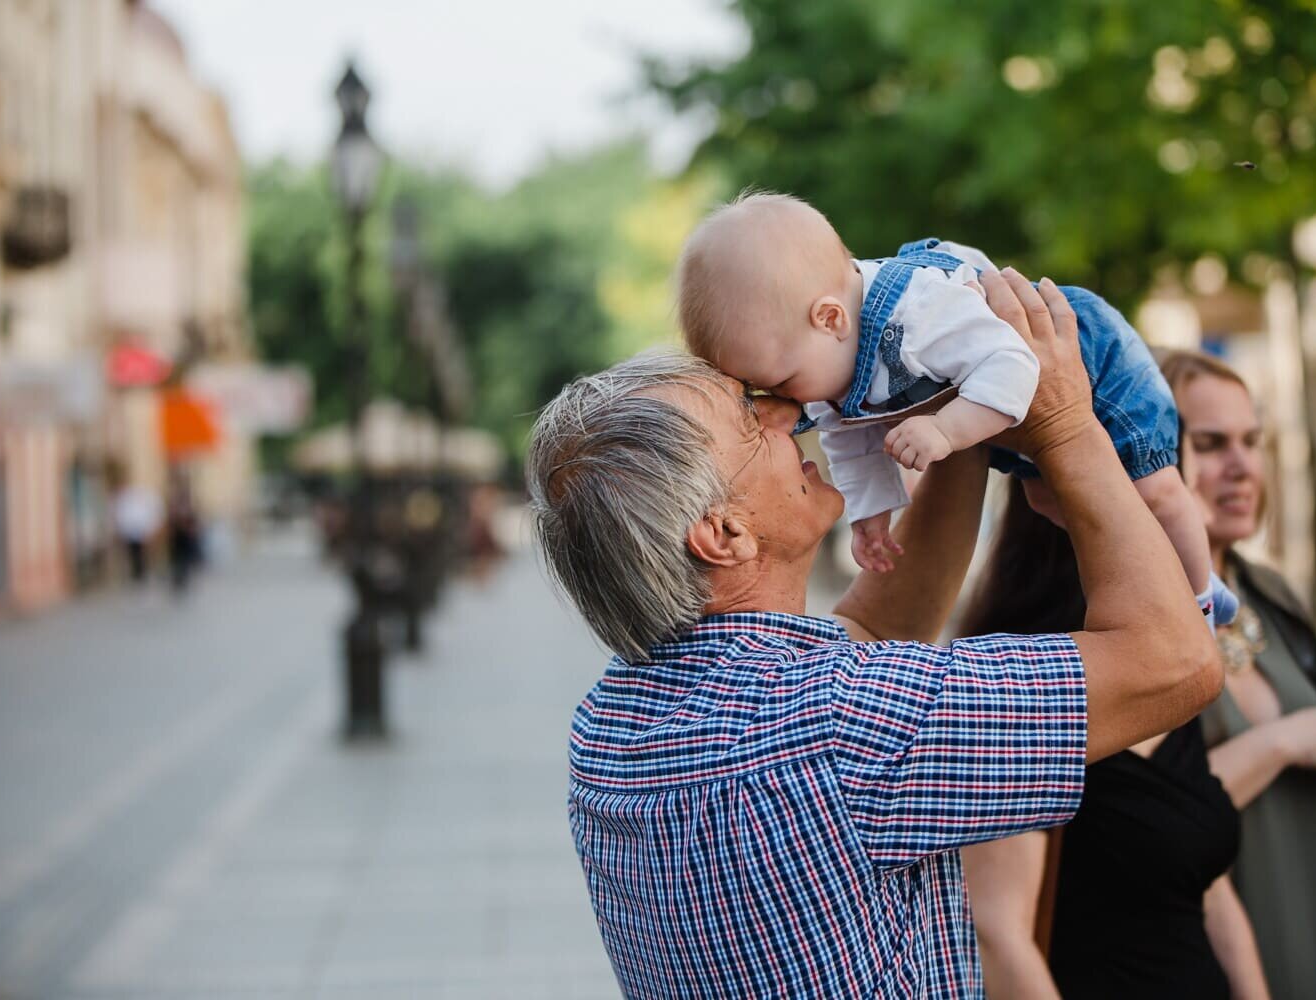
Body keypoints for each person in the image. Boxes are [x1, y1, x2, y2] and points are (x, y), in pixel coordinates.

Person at [528, 267, 1222, 997]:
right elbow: (1174, 663)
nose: (784, 411)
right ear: (723, 533)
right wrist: (1066, 425)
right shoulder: (839, 722)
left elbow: (883, 625)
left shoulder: (609, 728)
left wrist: (954, 393)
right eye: (746, 415)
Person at [677, 192, 1236, 630]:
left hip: (1095, 366)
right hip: (1002, 412)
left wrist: (947, 429)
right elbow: (850, 437)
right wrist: (872, 513)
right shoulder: (826, 363)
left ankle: (1202, 599)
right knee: (1048, 499)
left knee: (1158, 491)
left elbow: (1015, 364)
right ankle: (1150, 587)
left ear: (830, 319)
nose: (787, 405)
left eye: (780, 383)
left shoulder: (921, 315)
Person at [959, 479, 1270, 999]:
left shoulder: (1166, 673)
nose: (1185, 509)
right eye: (1162, 483)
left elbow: (1203, 883)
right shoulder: (1024, 684)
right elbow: (999, 935)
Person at [1163, 348, 1316, 999]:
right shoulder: (1135, 616)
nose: (1242, 467)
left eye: (1253, 441)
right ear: (1156, 454)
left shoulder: (1271, 595)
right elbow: (1141, 810)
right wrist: (1286, 743)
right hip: (1224, 956)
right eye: (1211, 443)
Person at [112, 481, 161, 583]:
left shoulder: (142, 502)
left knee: (141, 552)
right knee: (134, 552)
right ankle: (137, 571)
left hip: (140, 531)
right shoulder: (124, 502)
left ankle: (142, 571)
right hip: (131, 532)